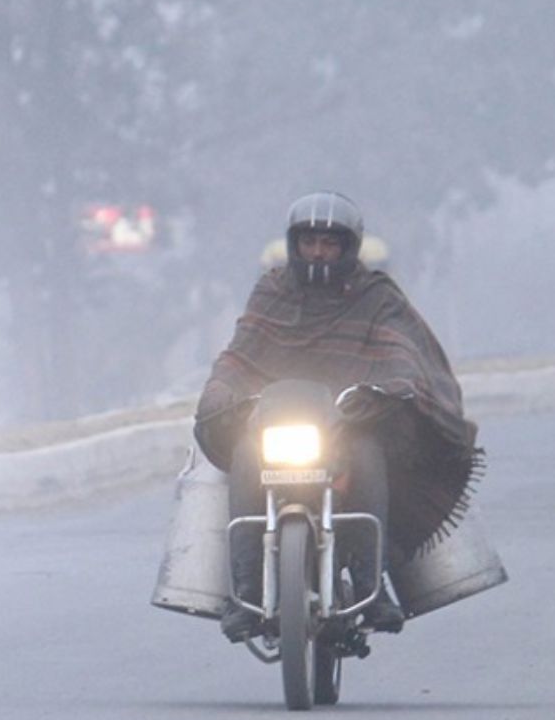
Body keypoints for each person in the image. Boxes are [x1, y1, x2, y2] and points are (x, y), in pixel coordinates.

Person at [195, 192, 480, 642]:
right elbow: (241, 352)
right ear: (294, 244)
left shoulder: (377, 295)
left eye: (329, 244)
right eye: (309, 242)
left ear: (349, 247)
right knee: (247, 456)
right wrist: (221, 388)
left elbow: (401, 354)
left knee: (368, 455)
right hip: (278, 421)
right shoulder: (272, 289)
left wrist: (391, 389)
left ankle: (372, 582)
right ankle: (245, 590)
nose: (318, 253)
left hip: (346, 424)